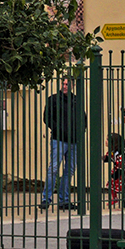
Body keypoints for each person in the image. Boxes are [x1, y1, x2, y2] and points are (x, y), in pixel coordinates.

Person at [40, 77, 84, 210]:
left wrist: (80, 130)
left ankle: (64, 200)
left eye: (68, 84)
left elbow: (82, 117)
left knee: (69, 170)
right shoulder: (53, 99)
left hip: (74, 141)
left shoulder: (76, 100)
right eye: (64, 84)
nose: (65, 86)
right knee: (53, 168)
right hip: (58, 140)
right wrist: (57, 129)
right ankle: (46, 199)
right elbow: (47, 117)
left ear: (73, 85)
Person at [104, 131, 125, 208]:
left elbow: (122, 165)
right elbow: (108, 158)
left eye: (108, 140)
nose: (106, 141)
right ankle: (115, 198)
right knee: (111, 184)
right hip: (118, 169)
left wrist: (117, 173)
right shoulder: (112, 152)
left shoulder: (119, 153)